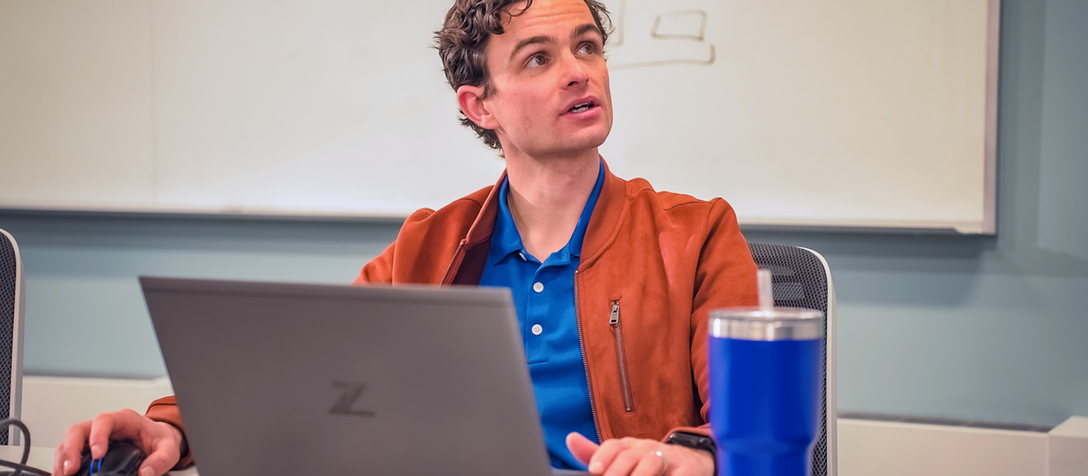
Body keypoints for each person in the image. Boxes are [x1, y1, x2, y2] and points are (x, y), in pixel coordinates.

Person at [52, 1, 757, 475]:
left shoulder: (694, 235)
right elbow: (306, 376)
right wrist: (176, 429)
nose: (578, 70)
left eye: (588, 47)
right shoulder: (430, 243)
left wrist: (690, 456)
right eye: (538, 58)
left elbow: (751, 428)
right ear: (480, 105)